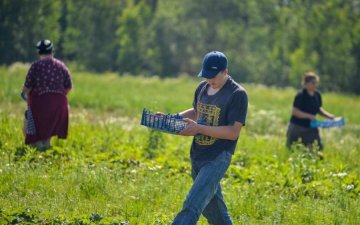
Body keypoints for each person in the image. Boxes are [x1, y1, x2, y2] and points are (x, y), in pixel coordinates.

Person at [172, 51, 248, 225]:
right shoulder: (202, 87)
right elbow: (196, 111)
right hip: (198, 154)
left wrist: (199, 128)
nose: (209, 80)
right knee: (214, 211)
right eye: (206, 76)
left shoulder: (237, 94)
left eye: (213, 76)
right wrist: (173, 118)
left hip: (218, 157)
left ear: (225, 72)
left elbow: (233, 132)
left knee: (192, 205)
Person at [22, 39, 72, 151]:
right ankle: (46, 145)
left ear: (39, 52)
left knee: (33, 127)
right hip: (60, 104)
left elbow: (27, 88)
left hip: (40, 103)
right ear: (52, 51)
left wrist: (25, 92)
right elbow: (68, 86)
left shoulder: (35, 66)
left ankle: (38, 146)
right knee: (48, 132)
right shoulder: (61, 66)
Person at [286, 72, 336, 151]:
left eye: (316, 83)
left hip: (311, 127)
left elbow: (318, 109)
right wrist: (309, 116)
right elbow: (295, 112)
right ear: (306, 83)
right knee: (293, 149)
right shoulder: (300, 95)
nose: (315, 85)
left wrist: (329, 116)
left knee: (317, 149)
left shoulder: (317, 95)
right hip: (297, 127)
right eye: (313, 83)